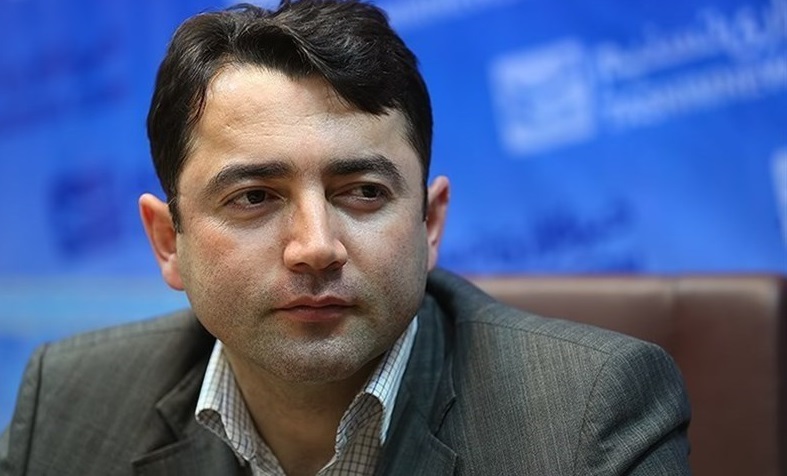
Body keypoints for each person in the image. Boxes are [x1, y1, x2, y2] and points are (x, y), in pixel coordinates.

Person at [0, 1, 691, 475]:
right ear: (167, 241)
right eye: (254, 197)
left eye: (362, 192)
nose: (315, 246)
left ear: (429, 223)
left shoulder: (587, 416)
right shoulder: (70, 402)